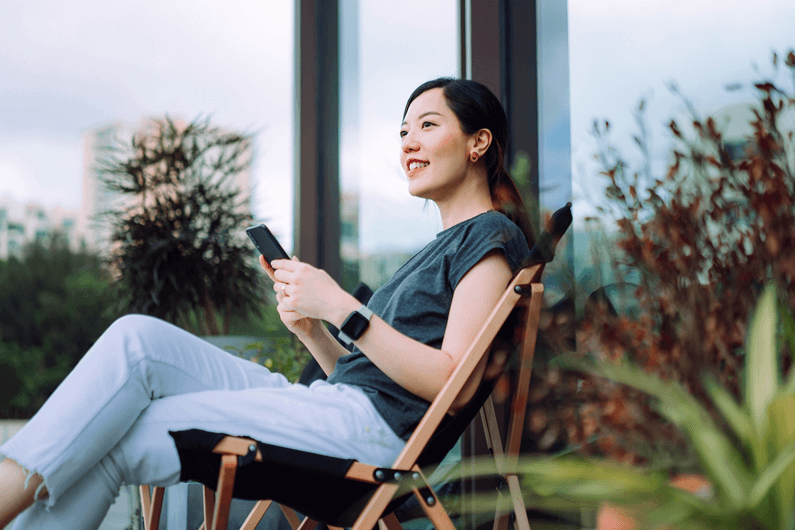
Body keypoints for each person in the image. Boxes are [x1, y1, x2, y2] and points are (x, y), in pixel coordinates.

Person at [0, 77, 532, 529]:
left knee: (122, 428)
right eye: (402, 131)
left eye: (427, 125)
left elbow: (450, 384)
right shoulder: (439, 249)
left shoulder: (488, 238)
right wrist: (309, 326)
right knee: (137, 338)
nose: (408, 143)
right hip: (337, 409)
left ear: (478, 142)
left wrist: (342, 306)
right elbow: (367, 375)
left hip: (365, 436)